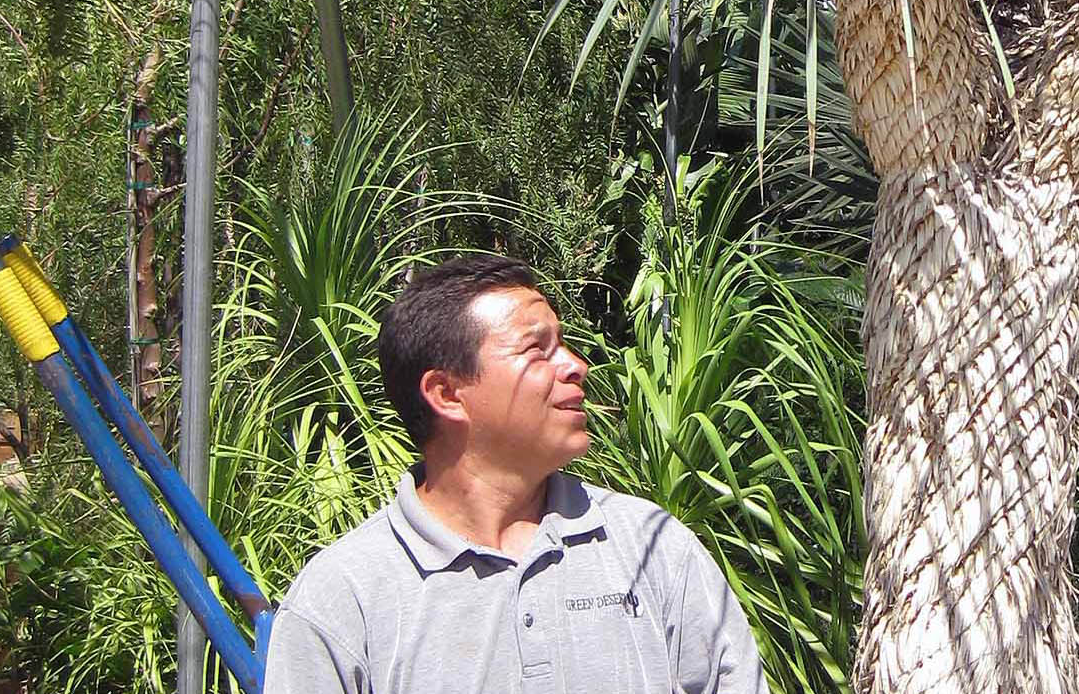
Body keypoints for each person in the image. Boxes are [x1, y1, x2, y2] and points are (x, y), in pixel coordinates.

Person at [264, 253, 764, 693]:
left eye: (563, 344)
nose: (575, 366)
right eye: (536, 349)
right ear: (446, 394)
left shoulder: (653, 547)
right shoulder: (343, 600)